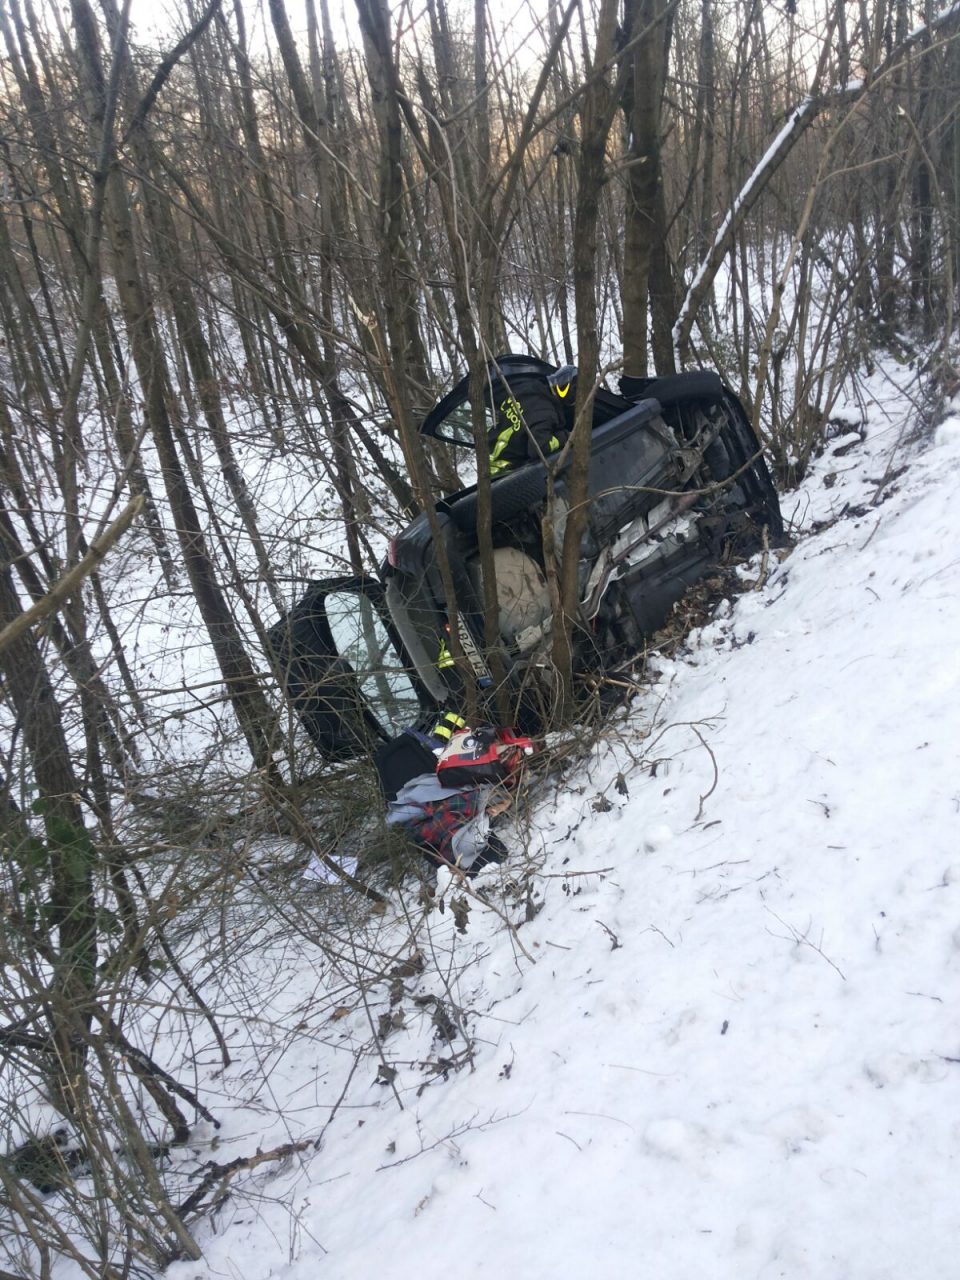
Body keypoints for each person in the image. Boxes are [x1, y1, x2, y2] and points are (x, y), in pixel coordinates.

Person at [487, 371, 571, 476]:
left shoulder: (526, 388)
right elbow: (539, 448)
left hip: (486, 456)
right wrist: (564, 436)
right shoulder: (545, 413)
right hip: (503, 471)